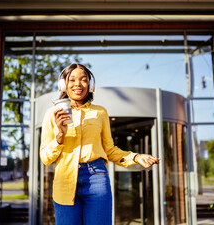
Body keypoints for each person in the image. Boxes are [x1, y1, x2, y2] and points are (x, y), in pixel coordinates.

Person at [40, 63, 160, 225]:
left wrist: (136, 156)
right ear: (63, 85)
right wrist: (60, 136)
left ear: (90, 85)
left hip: (96, 177)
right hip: (64, 179)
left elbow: (109, 150)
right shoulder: (52, 114)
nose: (78, 84)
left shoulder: (100, 112)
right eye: (72, 80)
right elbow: (45, 158)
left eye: (83, 80)